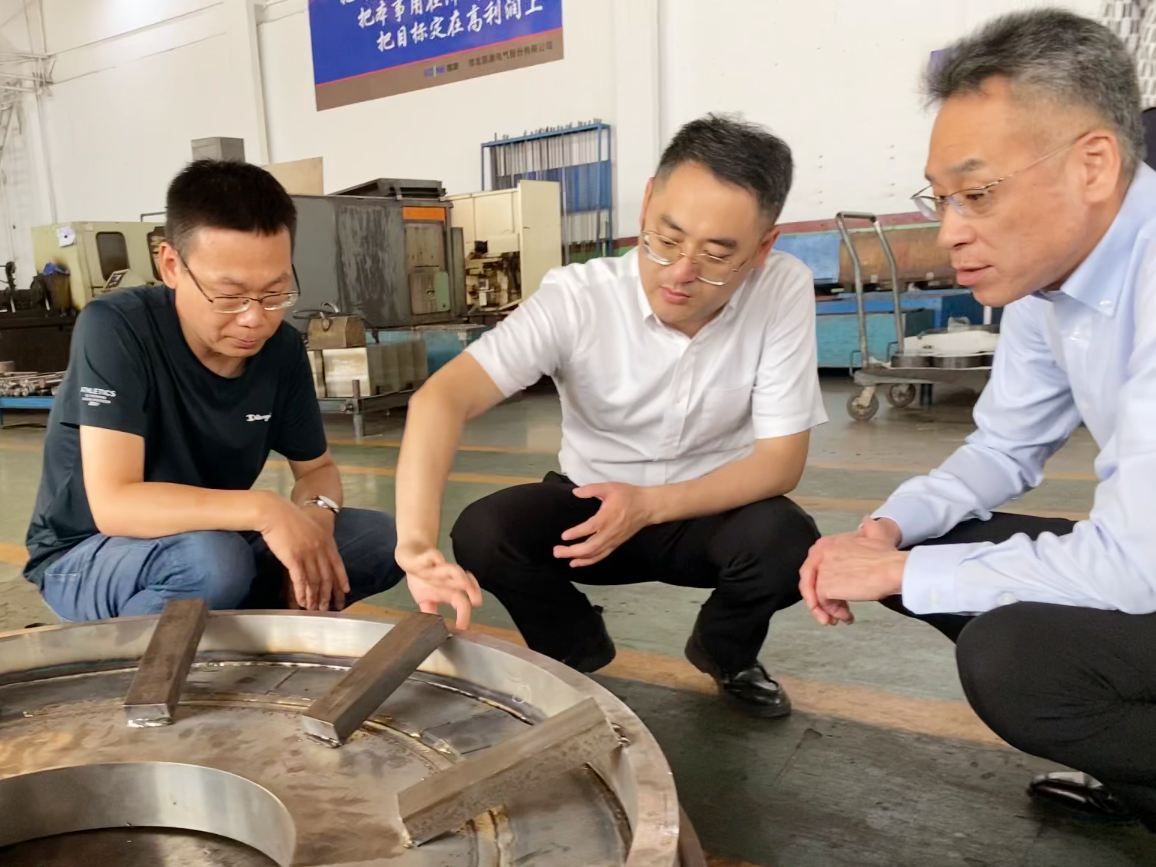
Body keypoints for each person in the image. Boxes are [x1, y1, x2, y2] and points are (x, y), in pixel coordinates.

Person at [800, 9, 1156, 828]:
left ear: (1094, 163)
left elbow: (1134, 567)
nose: (950, 233)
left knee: (1016, 661)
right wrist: (888, 530)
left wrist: (899, 574)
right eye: (941, 199)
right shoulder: (1046, 277)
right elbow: (1003, 445)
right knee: (937, 544)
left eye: (979, 194)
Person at [394, 115, 826, 718]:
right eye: (666, 239)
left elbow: (781, 462)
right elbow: (441, 399)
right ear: (647, 202)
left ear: (762, 248)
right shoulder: (578, 298)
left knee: (787, 544)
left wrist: (649, 505)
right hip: (590, 516)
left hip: (710, 513)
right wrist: (415, 545)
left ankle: (724, 650)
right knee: (486, 533)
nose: (680, 273)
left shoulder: (781, 288)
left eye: (715, 255)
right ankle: (574, 649)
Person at [24, 160, 404, 621]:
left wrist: (315, 524)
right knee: (212, 565)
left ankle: (232, 629)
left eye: (275, 293)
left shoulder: (281, 349)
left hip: (215, 538)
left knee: (380, 540)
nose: (254, 319)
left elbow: (317, 470)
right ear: (171, 265)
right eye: (228, 296)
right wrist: (265, 510)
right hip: (92, 553)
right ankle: (139, 655)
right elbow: (115, 504)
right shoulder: (116, 329)